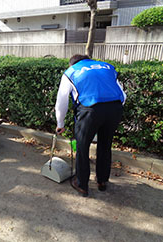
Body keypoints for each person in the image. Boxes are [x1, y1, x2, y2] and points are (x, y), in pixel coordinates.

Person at [55, 54, 126, 197]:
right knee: (105, 145)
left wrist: (60, 123)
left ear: (72, 64)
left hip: (90, 110)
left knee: (82, 147)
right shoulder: (107, 67)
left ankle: (82, 185)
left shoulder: (71, 71)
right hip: (115, 108)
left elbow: (62, 100)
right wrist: (110, 111)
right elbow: (123, 96)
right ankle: (102, 181)